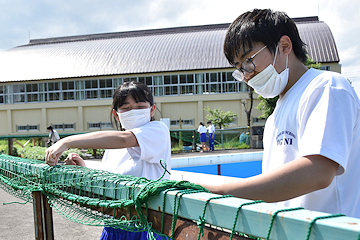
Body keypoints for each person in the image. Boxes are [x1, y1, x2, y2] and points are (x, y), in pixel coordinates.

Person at [200, 9, 360, 218]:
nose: (247, 76)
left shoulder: (326, 87)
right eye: (240, 69)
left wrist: (225, 192)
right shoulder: (276, 113)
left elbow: (318, 172)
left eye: (249, 61)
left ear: (284, 46)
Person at [45, 81, 171, 239]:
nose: (133, 112)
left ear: (152, 109)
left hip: (148, 228)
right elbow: (108, 184)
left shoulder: (158, 130)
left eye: (140, 107)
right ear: (116, 114)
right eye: (126, 108)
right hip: (113, 227)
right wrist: (84, 169)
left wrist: (66, 142)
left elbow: (125, 140)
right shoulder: (112, 147)